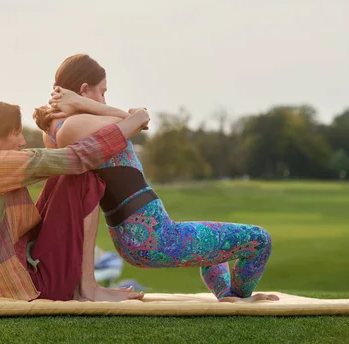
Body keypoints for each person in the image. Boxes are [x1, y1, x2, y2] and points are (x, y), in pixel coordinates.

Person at [33, 54, 279, 303]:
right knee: (260, 240)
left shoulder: (57, 128)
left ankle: (229, 296)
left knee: (217, 253)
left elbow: (136, 117)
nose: (104, 99)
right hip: (156, 236)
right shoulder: (74, 126)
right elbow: (139, 118)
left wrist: (82, 103)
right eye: (102, 92)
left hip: (141, 234)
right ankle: (241, 300)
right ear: (84, 89)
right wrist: (86, 104)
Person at [0, 101, 149, 302]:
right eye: (16, 133)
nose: (23, 141)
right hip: (29, 287)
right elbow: (77, 158)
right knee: (83, 177)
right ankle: (89, 289)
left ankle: (85, 286)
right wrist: (134, 121)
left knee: (60, 174)